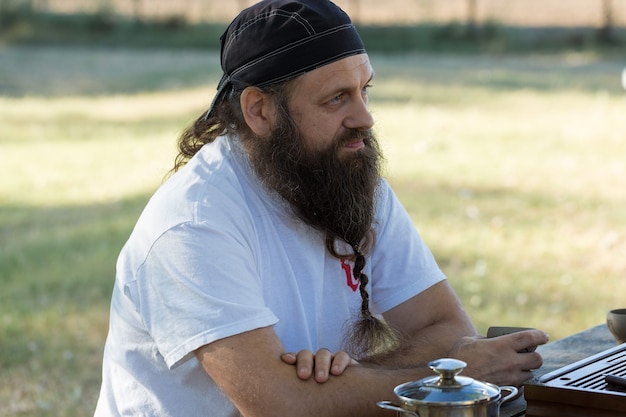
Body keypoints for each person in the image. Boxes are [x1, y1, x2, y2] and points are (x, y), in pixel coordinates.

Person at [94, 1, 549, 416]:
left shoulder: (348, 175)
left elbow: (446, 326)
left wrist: (350, 375)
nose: (365, 118)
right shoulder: (193, 225)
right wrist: (439, 376)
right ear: (260, 111)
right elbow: (282, 406)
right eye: (336, 99)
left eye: (364, 90)